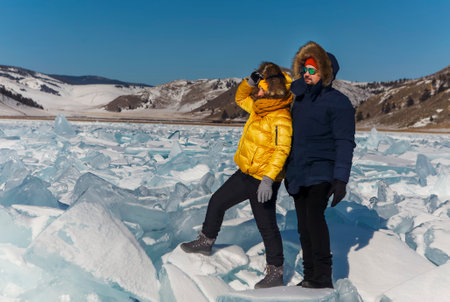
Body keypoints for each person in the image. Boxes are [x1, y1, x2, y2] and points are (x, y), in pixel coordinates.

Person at [181, 62, 293, 289]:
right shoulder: (259, 108)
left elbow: (282, 150)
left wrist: (269, 180)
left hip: (263, 180)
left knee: (267, 226)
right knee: (217, 201)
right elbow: (241, 99)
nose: (257, 92)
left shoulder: (281, 117)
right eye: (257, 88)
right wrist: (249, 82)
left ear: (271, 91)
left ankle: (276, 272)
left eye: (260, 88)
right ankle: (206, 241)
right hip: (245, 173)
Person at [284, 41, 356, 289]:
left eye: (312, 70)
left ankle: (323, 276)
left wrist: (340, 179)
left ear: (325, 72)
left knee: (314, 218)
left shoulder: (338, 102)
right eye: (304, 68)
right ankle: (310, 275)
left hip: (323, 170)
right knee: (303, 225)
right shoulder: (298, 100)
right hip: (299, 170)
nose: (307, 73)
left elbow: (345, 141)